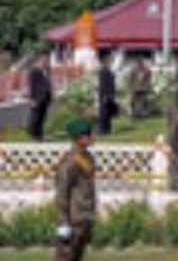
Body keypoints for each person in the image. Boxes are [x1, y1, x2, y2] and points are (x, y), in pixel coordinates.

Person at [54, 117, 96, 261]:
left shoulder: (87, 158)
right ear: (79, 138)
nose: (92, 137)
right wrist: (63, 222)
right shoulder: (69, 162)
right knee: (65, 257)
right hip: (72, 219)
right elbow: (62, 193)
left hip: (85, 217)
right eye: (88, 134)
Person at [28, 58, 52, 141]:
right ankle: (34, 136)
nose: (45, 63)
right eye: (43, 61)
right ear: (38, 61)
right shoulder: (34, 71)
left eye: (46, 61)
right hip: (37, 97)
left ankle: (40, 135)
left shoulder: (45, 70)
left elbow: (47, 83)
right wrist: (32, 98)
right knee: (36, 117)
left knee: (42, 117)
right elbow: (32, 85)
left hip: (45, 97)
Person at [97, 52, 117, 136]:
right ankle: (102, 129)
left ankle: (107, 129)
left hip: (110, 94)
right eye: (110, 61)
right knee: (103, 113)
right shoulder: (103, 71)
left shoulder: (109, 71)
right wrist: (105, 95)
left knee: (108, 112)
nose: (111, 62)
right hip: (105, 95)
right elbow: (103, 84)